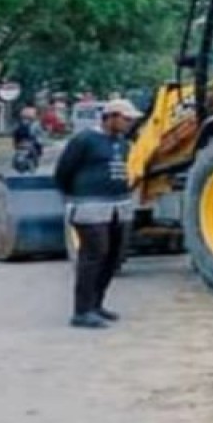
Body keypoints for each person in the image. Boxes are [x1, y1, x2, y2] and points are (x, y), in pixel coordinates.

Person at [53, 98, 143, 329]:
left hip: (118, 205)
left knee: (113, 256)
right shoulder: (84, 140)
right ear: (111, 117)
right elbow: (63, 171)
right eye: (126, 119)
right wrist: (75, 194)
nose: (129, 123)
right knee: (94, 254)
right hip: (90, 206)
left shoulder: (123, 143)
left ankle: (96, 304)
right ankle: (82, 310)